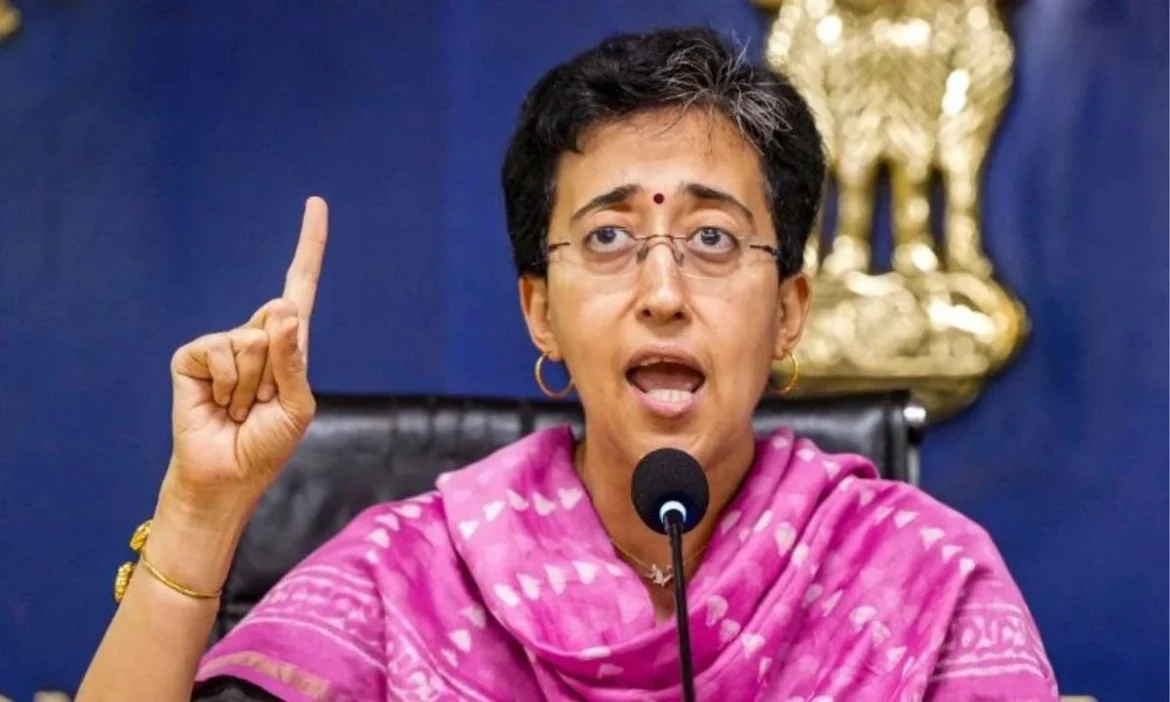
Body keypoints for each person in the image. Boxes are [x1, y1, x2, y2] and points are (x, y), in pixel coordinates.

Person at [77, 27, 1058, 701]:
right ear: (540, 311)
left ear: (789, 313)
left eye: (713, 240)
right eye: (609, 239)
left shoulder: (924, 579)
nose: (663, 291)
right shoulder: (407, 576)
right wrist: (201, 512)